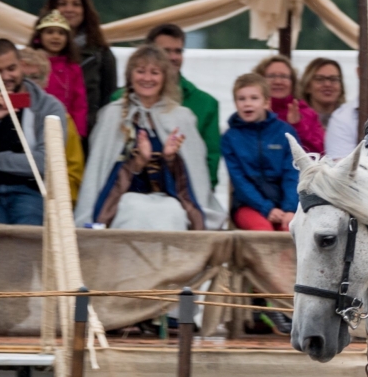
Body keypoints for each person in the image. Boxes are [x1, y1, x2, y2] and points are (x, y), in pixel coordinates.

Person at [76, 44, 212, 230]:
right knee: (133, 210)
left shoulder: (182, 118)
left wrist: (171, 159)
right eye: (141, 71)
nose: (147, 78)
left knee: (173, 213)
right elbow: (99, 173)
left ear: (164, 78)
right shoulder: (112, 115)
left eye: (155, 72)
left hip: (169, 200)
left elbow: (193, 179)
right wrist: (137, 163)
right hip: (123, 201)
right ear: (130, 76)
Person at [0, 40, 80, 226]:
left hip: (30, 191)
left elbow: (46, 163)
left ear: (22, 66)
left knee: (27, 241)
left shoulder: (49, 106)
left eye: (11, 68)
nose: (6, 77)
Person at [143, 25, 223, 185]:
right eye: (166, 51)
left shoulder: (206, 103)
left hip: (188, 195)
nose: (173, 57)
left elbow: (210, 163)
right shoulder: (123, 100)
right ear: (149, 54)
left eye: (178, 51)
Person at [223, 73, 300, 232]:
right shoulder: (230, 137)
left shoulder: (285, 132)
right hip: (248, 205)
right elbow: (239, 181)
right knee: (263, 231)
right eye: (241, 99)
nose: (247, 104)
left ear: (266, 102)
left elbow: (292, 174)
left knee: (291, 230)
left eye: (254, 98)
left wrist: (290, 209)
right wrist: (266, 208)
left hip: (285, 205)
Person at [40, 0, 116, 115]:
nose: (69, 9)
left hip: (87, 132)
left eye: (76, 4)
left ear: (85, 10)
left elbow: (109, 101)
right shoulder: (35, 54)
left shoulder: (101, 54)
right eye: (62, 4)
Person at [27, 10, 89, 136]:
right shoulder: (28, 64)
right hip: (32, 125)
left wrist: (78, 133)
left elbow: (79, 104)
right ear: (39, 36)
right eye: (50, 32)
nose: (56, 37)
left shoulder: (73, 68)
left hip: (65, 129)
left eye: (61, 33)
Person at [253, 55, 324, 154]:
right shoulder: (250, 112)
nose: (278, 81)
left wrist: (297, 127)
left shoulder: (308, 114)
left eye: (284, 76)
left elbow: (318, 154)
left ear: (293, 82)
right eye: (271, 76)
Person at [299, 58, 353, 159]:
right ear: (307, 86)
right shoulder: (298, 119)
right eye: (320, 79)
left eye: (333, 79)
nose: (327, 84)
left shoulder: (352, 119)